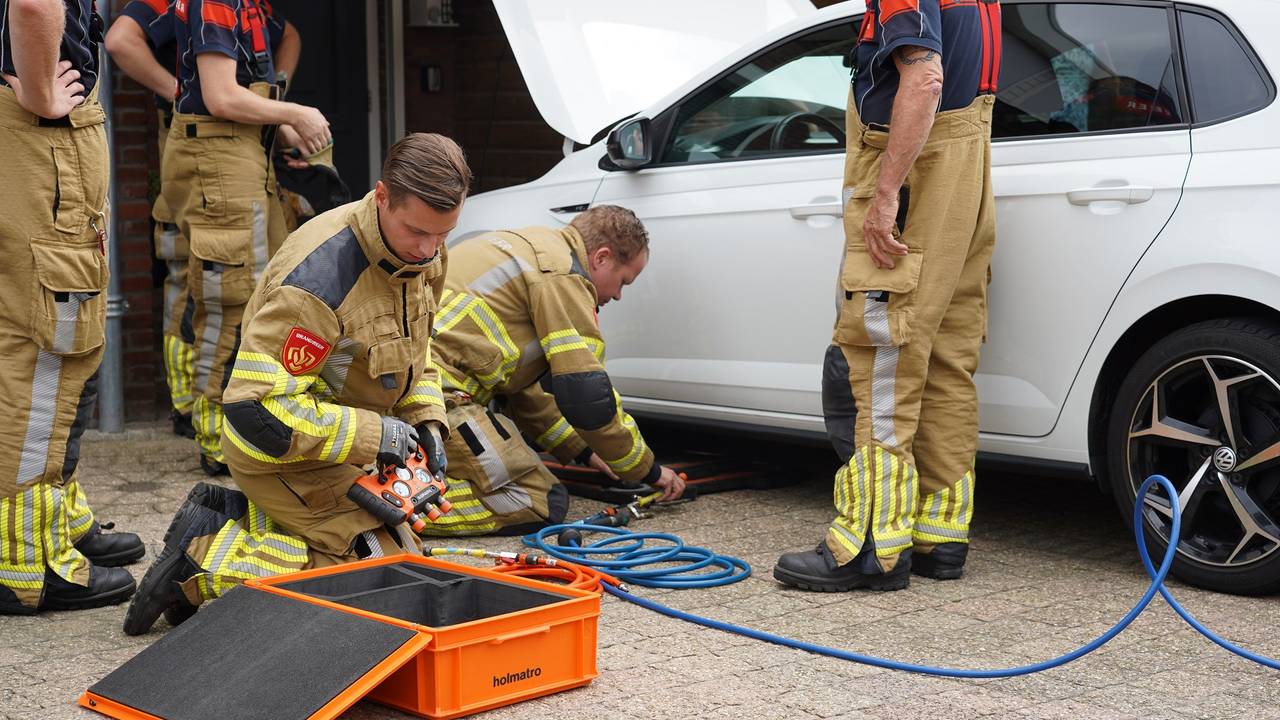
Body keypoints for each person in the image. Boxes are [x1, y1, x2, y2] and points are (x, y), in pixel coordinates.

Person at [122, 132, 467, 635]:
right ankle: (203, 562)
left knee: (408, 565)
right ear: (382, 195)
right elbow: (255, 409)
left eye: (443, 234)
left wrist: (425, 421)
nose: (429, 251)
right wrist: (379, 435)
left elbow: (417, 351)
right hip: (279, 452)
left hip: (341, 445)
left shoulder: (424, 252)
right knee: (376, 584)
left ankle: (254, 521)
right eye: (418, 232)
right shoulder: (319, 280)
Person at [773, 0, 1001, 591]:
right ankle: (939, 535)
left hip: (919, 170)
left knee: (880, 352)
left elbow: (924, 78)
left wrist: (885, 194)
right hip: (967, 165)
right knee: (948, 355)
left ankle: (870, 543)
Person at [0, 0, 145, 615]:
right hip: (41, 140)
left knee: (33, 344)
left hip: (31, 143)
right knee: (48, 353)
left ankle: (52, 523)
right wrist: (40, 93)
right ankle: (26, 564)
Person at [422, 205, 685, 537]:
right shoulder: (563, 275)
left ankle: (387, 486)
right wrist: (646, 470)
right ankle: (385, 512)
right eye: (623, 281)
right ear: (602, 257)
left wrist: (585, 451)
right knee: (538, 499)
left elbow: (522, 392)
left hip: (411, 385)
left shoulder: (530, 248)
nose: (617, 295)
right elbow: (587, 399)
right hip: (437, 396)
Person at [163, 0, 326, 477]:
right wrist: (295, 112)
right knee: (230, 298)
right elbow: (220, 96)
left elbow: (284, 38)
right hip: (219, 154)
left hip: (244, 151)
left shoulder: (249, 6)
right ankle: (216, 432)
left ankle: (246, 417)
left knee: (270, 289)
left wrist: (278, 119)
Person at [105, 0, 199, 439]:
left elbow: (287, 33)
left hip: (243, 154)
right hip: (194, 147)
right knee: (196, 275)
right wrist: (179, 91)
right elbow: (120, 40)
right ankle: (188, 405)